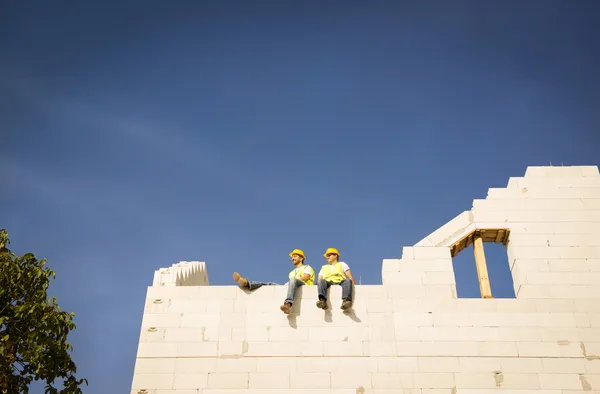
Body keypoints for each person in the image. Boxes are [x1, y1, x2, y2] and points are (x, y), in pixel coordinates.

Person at [232, 249, 315, 314]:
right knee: (271, 284)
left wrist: (290, 283)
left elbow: (305, 277)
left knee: (293, 281)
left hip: (303, 286)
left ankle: (288, 304)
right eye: (292, 257)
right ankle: (247, 283)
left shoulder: (307, 267)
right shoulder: (291, 272)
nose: (292, 258)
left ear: (301, 258)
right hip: (291, 286)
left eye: (295, 256)